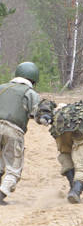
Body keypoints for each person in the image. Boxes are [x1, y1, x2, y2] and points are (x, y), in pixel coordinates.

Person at [0, 62, 53, 205]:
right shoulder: (30, 93)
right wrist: (47, 119)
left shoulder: (2, 88)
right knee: (14, 168)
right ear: (33, 80)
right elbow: (39, 116)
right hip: (13, 130)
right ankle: (1, 194)